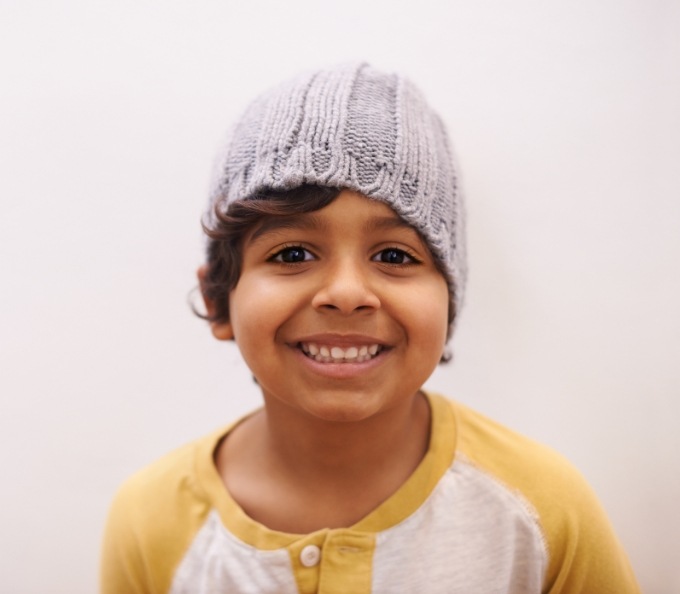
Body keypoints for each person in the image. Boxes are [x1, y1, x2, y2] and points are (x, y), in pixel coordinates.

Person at [100, 63, 640, 594]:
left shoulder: (543, 511)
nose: (347, 294)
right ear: (220, 301)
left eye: (394, 255)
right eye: (292, 252)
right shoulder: (150, 521)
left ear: (448, 301)